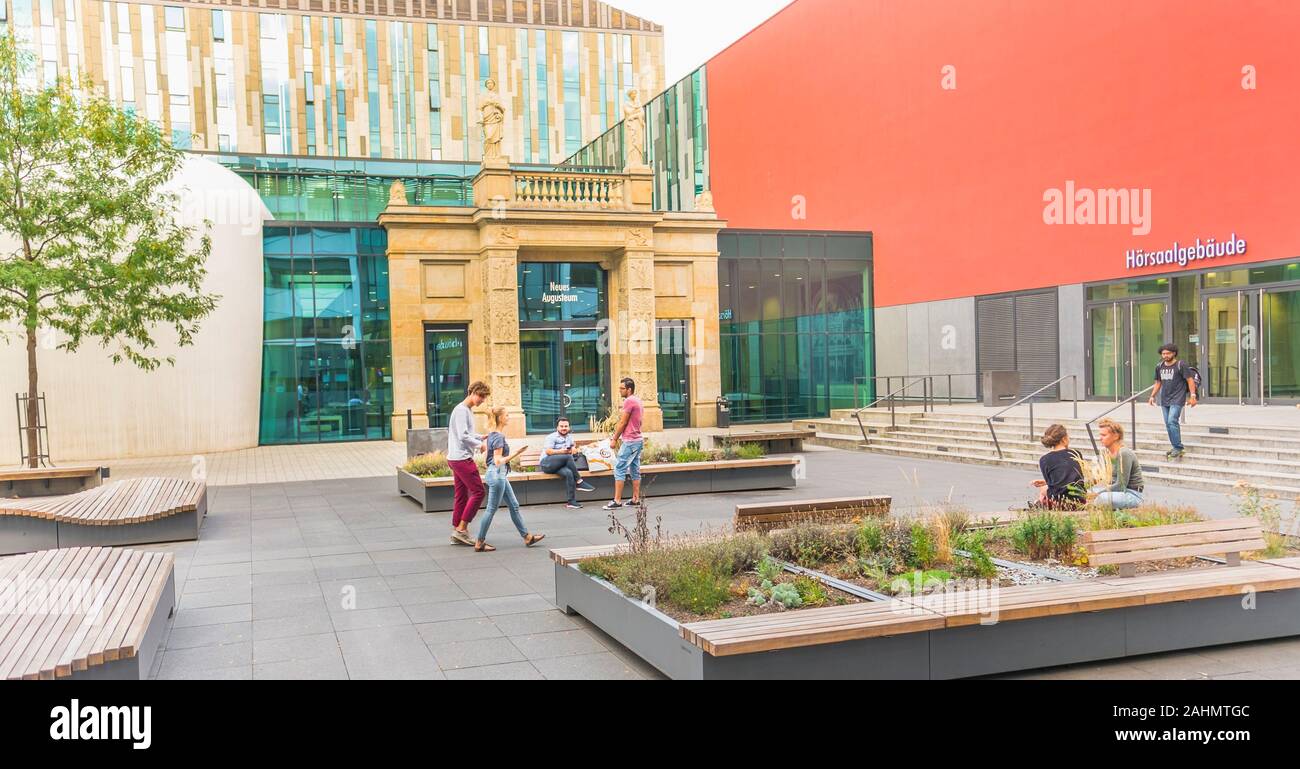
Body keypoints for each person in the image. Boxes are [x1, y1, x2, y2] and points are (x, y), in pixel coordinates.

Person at [475, 407, 546, 552]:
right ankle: (479, 542)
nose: (508, 417)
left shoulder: (492, 435)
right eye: (507, 415)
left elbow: (487, 459)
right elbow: (497, 461)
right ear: (500, 418)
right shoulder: (498, 437)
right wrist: (517, 453)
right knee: (491, 509)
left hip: (496, 474)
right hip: (497, 474)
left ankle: (527, 537)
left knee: (514, 505)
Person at [447, 381, 491, 546]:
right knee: (479, 492)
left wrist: (480, 437)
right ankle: (462, 529)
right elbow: (463, 436)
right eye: (480, 396)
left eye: (483, 397)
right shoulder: (461, 411)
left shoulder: (465, 410)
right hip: (461, 458)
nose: (481, 400)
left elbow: (467, 433)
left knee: (461, 495)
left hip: (455, 457)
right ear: (472, 393)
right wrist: (480, 445)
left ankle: (457, 531)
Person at [1148, 343, 1197, 459]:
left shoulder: (1181, 365)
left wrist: (1193, 396)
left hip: (1177, 398)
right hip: (1164, 399)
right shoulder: (1159, 366)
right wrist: (1152, 396)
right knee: (1168, 424)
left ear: (1174, 353)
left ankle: (1178, 448)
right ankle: (1175, 446)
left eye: (1168, 353)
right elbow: (1158, 383)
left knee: (1172, 421)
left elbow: (1190, 380)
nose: (1165, 355)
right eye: (1163, 353)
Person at [539, 417, 596, 510]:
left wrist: (574, 449)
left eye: (566, 426)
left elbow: (572, 447)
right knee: (567, 456)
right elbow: (548, 452)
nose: (564, 428)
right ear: (557, 427)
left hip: (559, 465)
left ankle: (571, 502)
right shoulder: (551, 437)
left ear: (569, 427)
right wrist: (562, 451)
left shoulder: (570, 438)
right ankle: (579, 481)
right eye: (561, 426)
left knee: (569, 473)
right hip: (547, 464)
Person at [604, 377, 644, 510]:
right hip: (637, 440)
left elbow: (623, 422)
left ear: (629, 389)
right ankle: (635, 499)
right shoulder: (638, 400)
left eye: (622, 388)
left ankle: (617, 501)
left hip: (630, 441)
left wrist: (614, 438)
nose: (620, 391)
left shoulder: (629, 401)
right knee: (634, 468)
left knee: (619, 468)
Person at [1090, 419, 1145, 510]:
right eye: (1100, 435)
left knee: (1102, 498)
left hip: (1131, 494)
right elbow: (1099, 476)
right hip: (1115, 492)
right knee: (1085, 493)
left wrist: (1096, 494)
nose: (1100, 438)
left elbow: (1121, 485)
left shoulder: (1124, 453)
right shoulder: (1105, 453)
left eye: (1104, 435)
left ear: (1116, 436)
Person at [1029, 424, 1087, 510]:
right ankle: (1041, 503)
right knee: (1046, 488)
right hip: (1079, 499)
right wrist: (1046, 482)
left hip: (1058, 500)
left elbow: (1056, 485)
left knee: (1042, 489)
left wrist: (1046, 483)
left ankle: (1041, 504)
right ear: (1064, 439)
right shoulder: (1076, 453)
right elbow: (1075, 477)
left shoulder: (1044, 460)